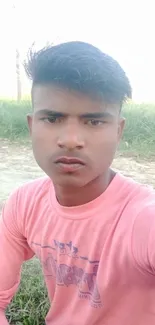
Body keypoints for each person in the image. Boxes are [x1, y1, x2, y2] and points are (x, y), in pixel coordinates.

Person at [0, 41, 155, 325]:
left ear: (118, 131)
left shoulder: (143, 218)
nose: (70, 140)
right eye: (53, 118)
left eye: (93, 122)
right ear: (32, 125)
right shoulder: (25, 203)